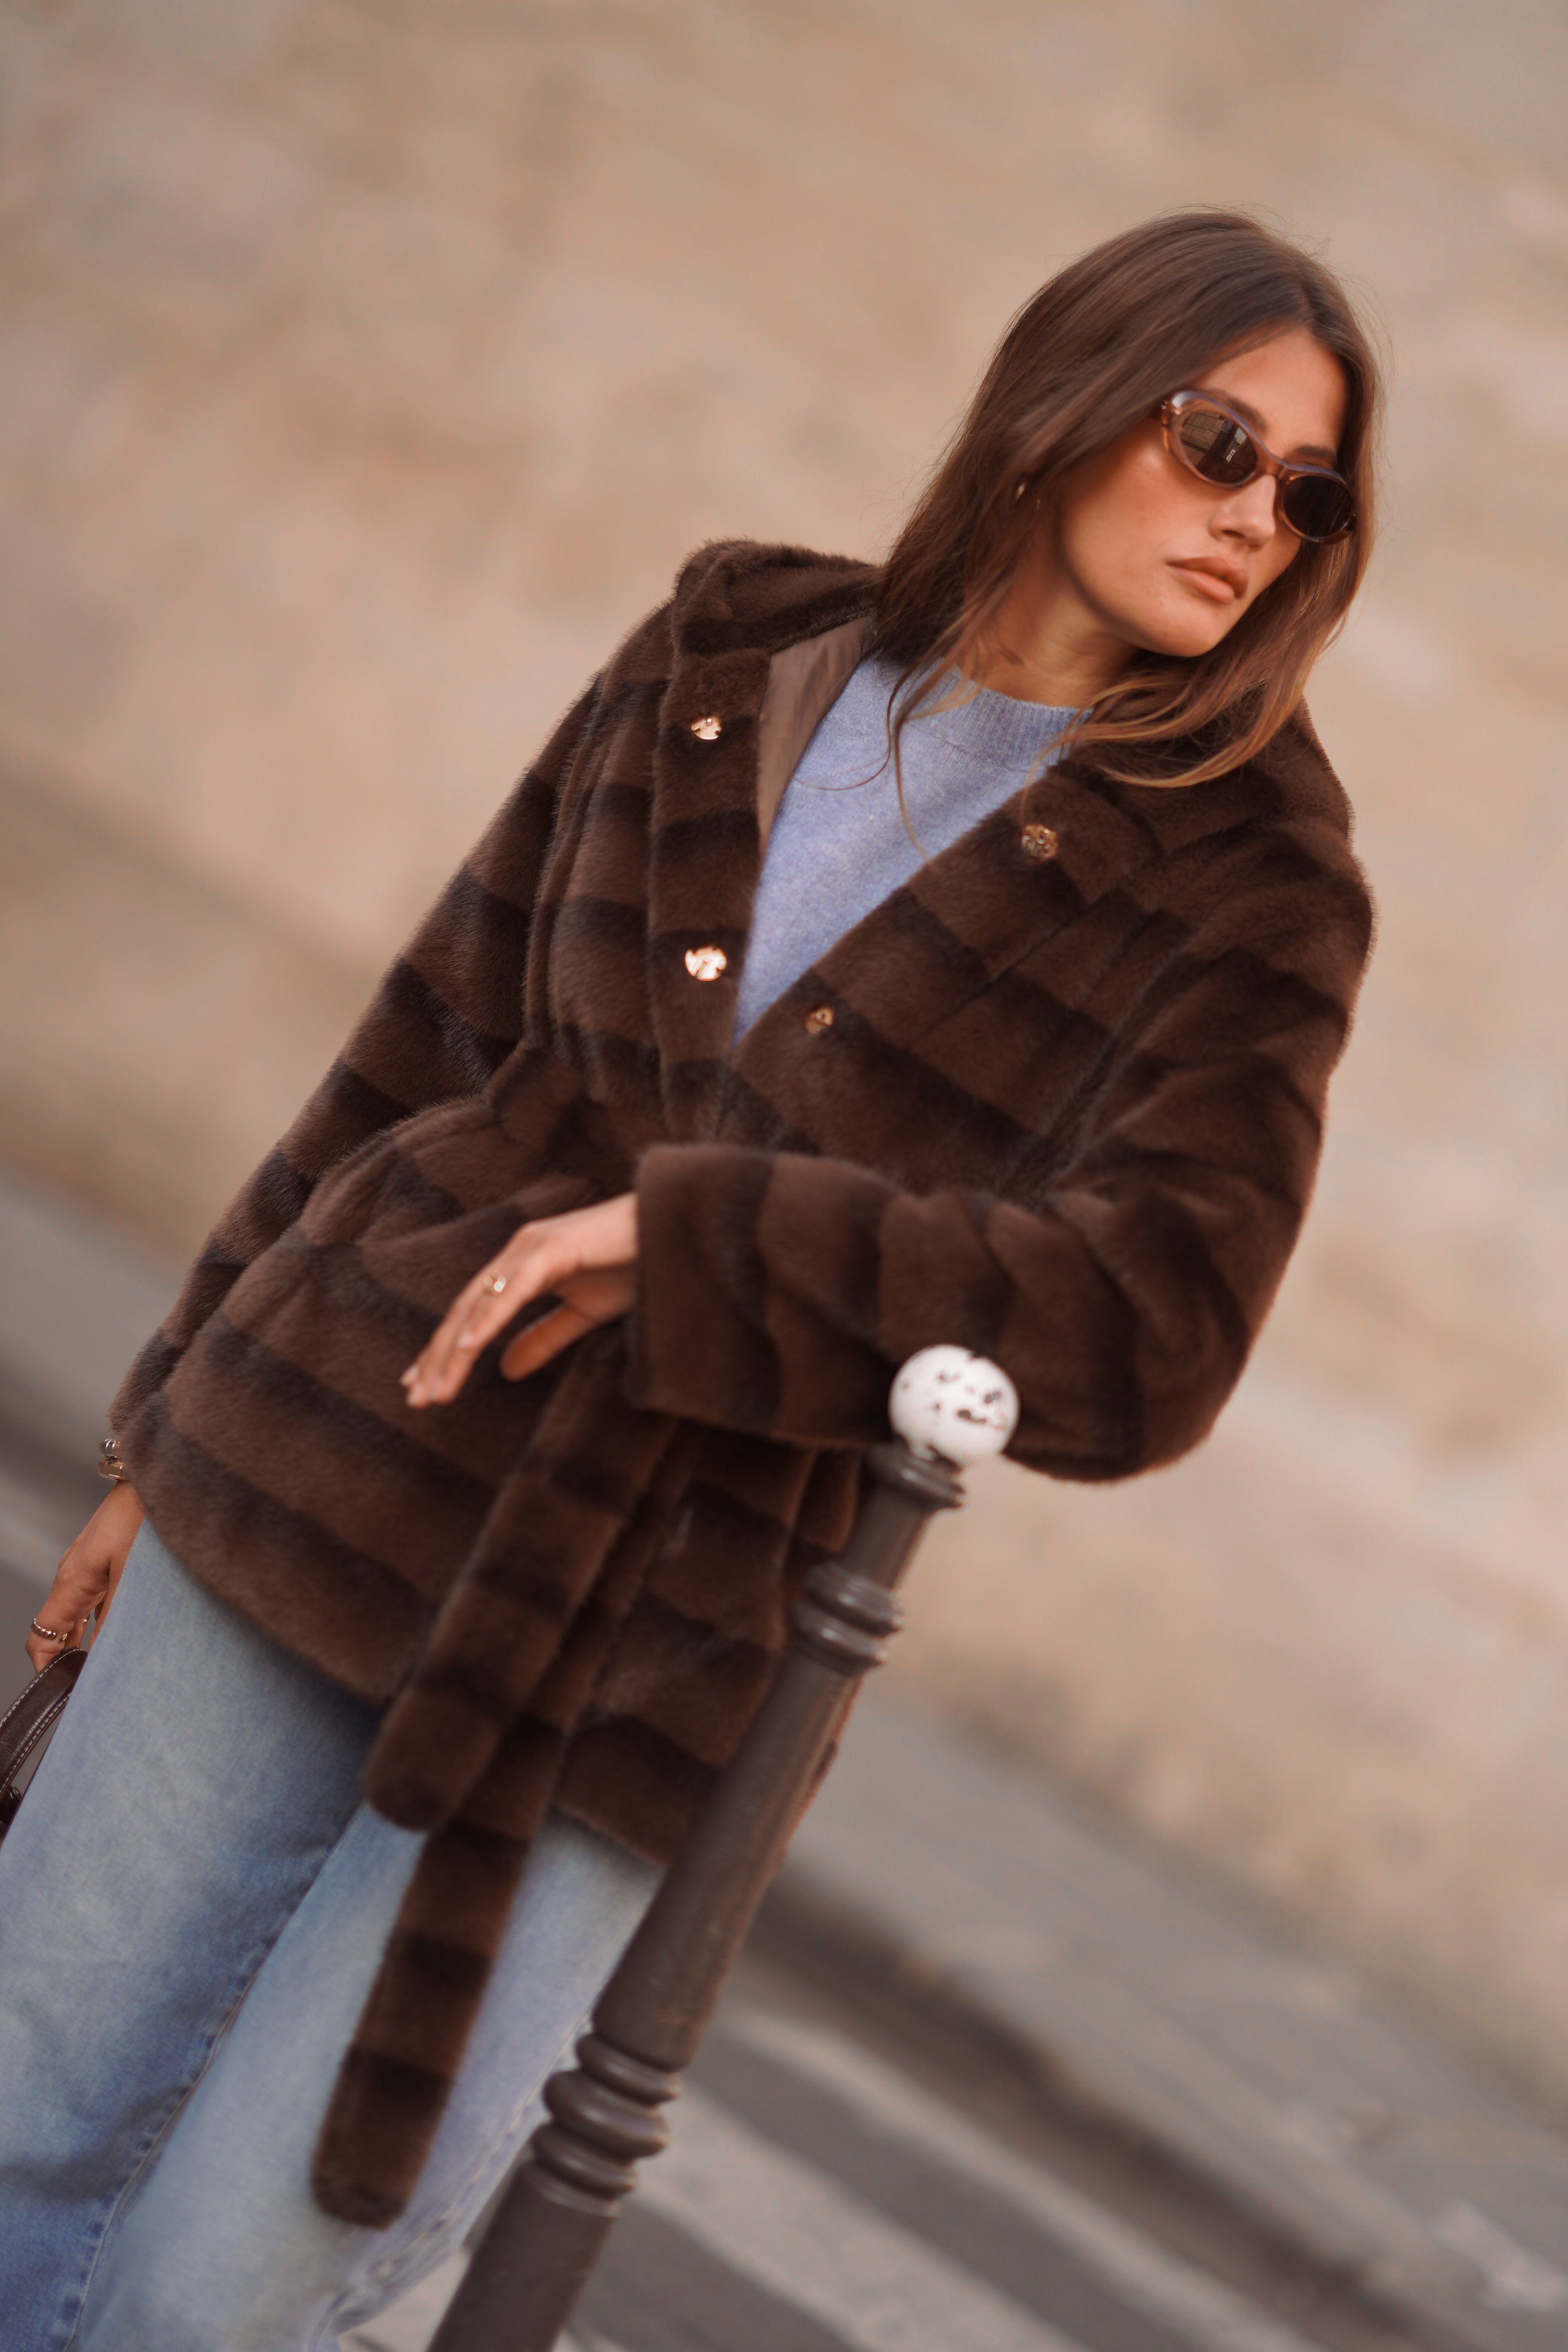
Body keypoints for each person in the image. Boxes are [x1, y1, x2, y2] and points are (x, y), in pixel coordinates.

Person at [0, 207, 1379, 2348]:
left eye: (1310, 496)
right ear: (1067, 404)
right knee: (26, 2118)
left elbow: (1162, 1324)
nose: (1254, 521)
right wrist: (150, 1431)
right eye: (1219, 444)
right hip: (311, 1449)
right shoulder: (735, 645)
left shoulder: (1253, 871)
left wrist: (719, 1246)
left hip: (648, 1624)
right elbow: (429, 1036)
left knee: (224, 2290)